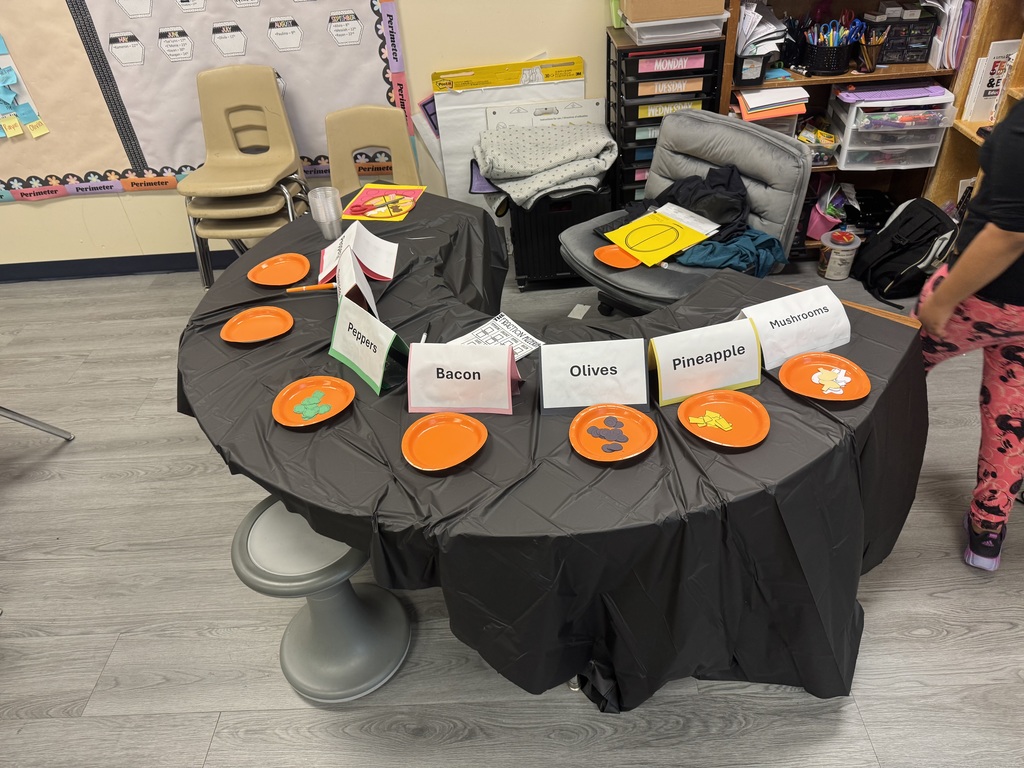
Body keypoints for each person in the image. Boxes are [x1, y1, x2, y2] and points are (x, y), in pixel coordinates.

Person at [916, 95, 1024, 571]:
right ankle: (987, 533)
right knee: (1010, 418)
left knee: (890, 370)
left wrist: (943, 299)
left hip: (982, 295)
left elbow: (1010, 235)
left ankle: (856, 476)